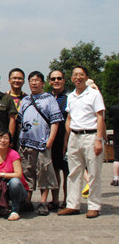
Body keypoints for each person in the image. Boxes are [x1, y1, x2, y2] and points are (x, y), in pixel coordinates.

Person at [58, 66, 106, 219]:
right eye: (75, 75)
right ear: (71, 78)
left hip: (91, 136)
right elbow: (69, 118)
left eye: (81, 75)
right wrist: (67, 139)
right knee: (74, 173)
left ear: (86, 77)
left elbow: (100, 117)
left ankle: (94, 205)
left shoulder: (94, 94)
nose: (78, 77)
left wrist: (99, 139)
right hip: (74, 136)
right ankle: (72, 204)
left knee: (94, 172)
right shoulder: (71, 96)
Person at [17, 71, 63, 215]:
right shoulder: (25, 100)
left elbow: (55, 121)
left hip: (42, 142)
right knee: (27, 172)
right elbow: (19, 121)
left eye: (37, 80)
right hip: (25, 143)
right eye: (32, 80)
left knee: (44, 172)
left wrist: (50, 140)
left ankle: (43, 202)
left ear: (43, 83)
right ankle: (28, 200)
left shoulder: (49, 99)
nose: (34, 83)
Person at [0, 130, 29, 221]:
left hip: (19, 190)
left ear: (10, 141)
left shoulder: (14, 154)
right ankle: (2, 206)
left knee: (14, 181)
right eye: (0, 138)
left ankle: (15, 210)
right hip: (4, 188)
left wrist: (1, 174)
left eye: (6, 138)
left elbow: (19, 174)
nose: (2, 141)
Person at [48, 69, 70, 208]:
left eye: (59, 78)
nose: (56, 81)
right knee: (54, 170)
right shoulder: (48, 97)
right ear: (50, 81)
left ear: (64, 80)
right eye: (53, 78)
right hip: (52, 138)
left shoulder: (70, 96)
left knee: (67, 171)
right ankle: (55, 200)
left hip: (66, 137)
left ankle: (67, 200)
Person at [109, 103, 119, 186]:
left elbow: (109, 118)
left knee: (117, 158)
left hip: (117, 135)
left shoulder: (114, 108)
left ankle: (116, 178)